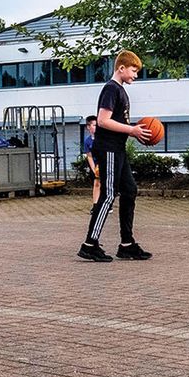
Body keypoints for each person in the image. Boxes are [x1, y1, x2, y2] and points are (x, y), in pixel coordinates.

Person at [77, 51, 152, 263]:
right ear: (121, 68)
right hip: (108, 148)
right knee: (109, 195)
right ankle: (89, 245)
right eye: (134, 70)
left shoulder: (120, 91)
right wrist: (131, 130)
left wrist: (133, 131)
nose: (136, 75)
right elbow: (102, 120)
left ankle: (126, 244)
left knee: (130, 190)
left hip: (118, 149)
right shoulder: (111, 89)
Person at [83, 115, 100, 203]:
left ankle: (108, 205)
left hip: (104, 163)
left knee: (106, 185)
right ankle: (95, 205)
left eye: (97, 125)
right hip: (95, 165)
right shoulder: (87, 141)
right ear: (88, 127)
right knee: (96, 183)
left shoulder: (102, 139)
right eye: (94, 125)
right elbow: (89, 156)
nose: (96, 127)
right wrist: (94, 169)